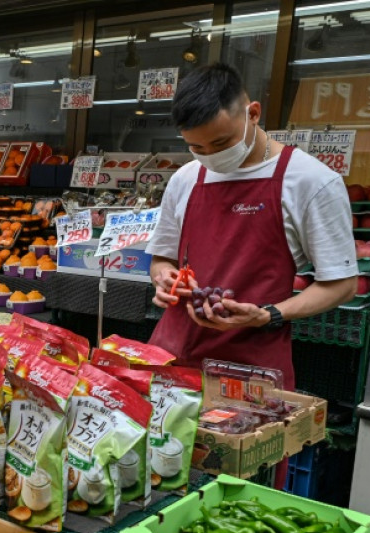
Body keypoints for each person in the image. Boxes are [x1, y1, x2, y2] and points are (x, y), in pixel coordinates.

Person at [146, 63, 357, 486]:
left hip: (251, 373)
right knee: (157, 483)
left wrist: (269, 314)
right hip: (175, 359)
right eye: (197, 147)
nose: (209, 156)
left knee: (237, 497)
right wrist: (164, 279)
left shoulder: (311, 181)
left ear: (253, 114)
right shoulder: (185, 179)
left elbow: (341, 283)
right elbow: (162, 258)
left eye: (220, 142)